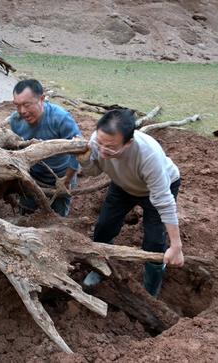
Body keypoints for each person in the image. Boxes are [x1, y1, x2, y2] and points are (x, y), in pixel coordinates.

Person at [79, 109, 184, 297]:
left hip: (156, 189)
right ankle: (101, 268)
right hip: (122, 185)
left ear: (128, 143)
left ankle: (151, 291)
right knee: (104, 227)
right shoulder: (99, 139)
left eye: (110, 147)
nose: (102, 151)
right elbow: (94, 171)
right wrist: (86, 161)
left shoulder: (148, 155)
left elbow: (164, 201)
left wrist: (176, 246)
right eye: (100, 144)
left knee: (154, 241)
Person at [8, 79, 81, 216]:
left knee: (57, 218)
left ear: (42, 99)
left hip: (61, 177)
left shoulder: (60, 118)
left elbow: (79, 148)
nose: (22, 111)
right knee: (26, 213)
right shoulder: (15, 121)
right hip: (32, 177)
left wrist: (67, 180)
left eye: (27, 105)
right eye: (17, 105)